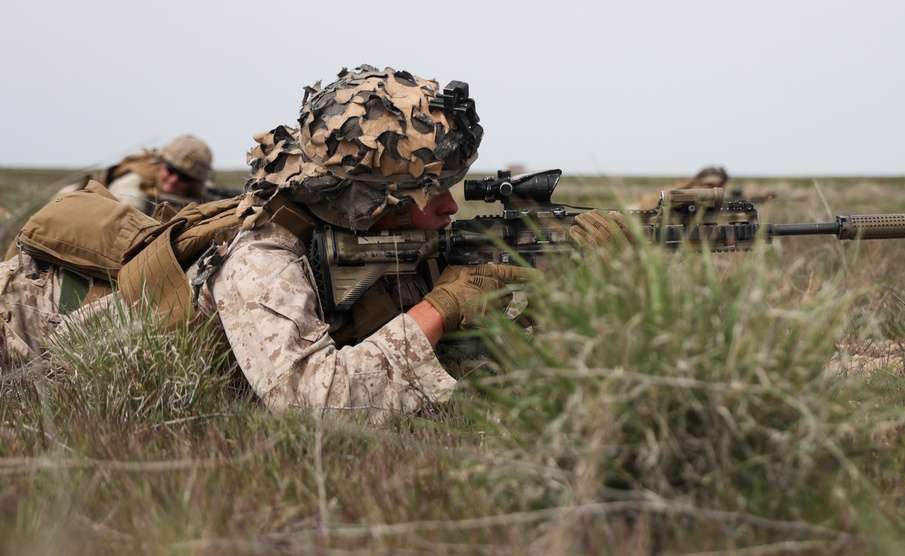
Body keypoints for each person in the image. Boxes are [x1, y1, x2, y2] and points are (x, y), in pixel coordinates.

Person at [0, 65, 629, 423]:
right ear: (367, 203)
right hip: (26, 326)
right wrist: (444, 307)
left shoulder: (367, 236)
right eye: (427, 192)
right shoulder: (263, 257)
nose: (447, 209)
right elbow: (314, 404)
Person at [55, 134, 218, 215]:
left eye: (185, 178)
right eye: (171, 170)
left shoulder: (199, 190)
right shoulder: (134, 181)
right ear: (161, 162)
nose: (174, 180)